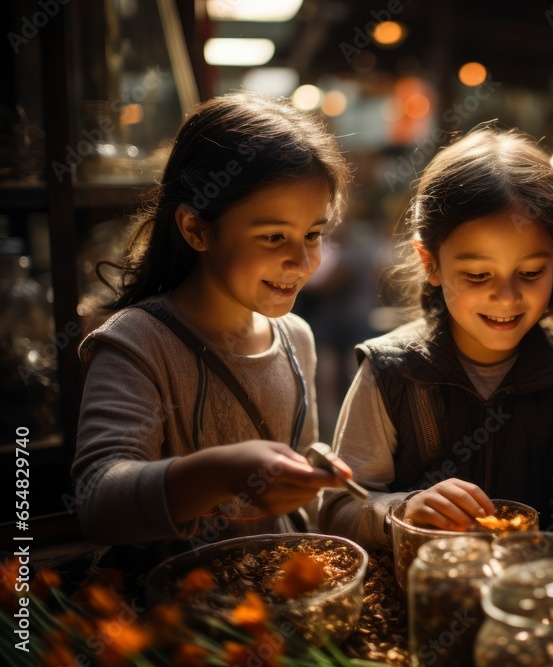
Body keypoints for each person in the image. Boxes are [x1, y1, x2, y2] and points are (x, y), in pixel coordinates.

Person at [320, 127, 553, 567]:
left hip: (526, 605)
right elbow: (336, 511)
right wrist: (402, 511)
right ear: (431, 263)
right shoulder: (391, 372)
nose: (508, 297)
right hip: (417, 607)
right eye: (478, 276)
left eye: (532, 272)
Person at [73, 93, 355, 550]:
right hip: (174, 611)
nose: (301, 261)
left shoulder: (296, 338)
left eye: (313, 235)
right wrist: (223, 473)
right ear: (197, 229)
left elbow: (300, 503)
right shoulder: (137, 343)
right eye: (273, 236)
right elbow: (97, 502)